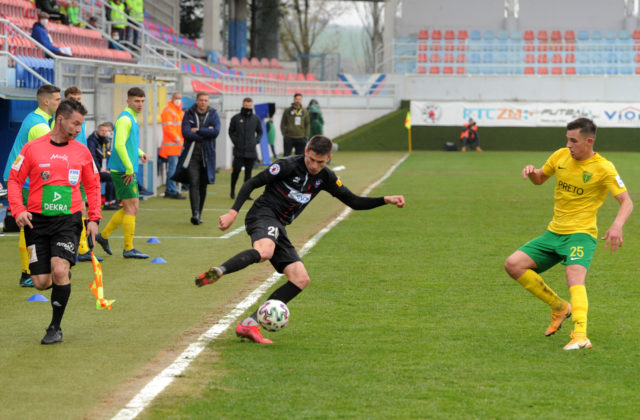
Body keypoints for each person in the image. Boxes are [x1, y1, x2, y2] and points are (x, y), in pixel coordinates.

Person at [194, 135, 406, 344]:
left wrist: (385, 200)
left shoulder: (327, 178)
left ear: (328, 158)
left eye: (320, 162)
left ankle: (249, 324)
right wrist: (233, 213)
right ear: (306, 151)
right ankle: (220, 270)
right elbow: (252, 183)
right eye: (311, 159)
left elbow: (354, 201)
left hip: (280, 227)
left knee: (300, 279)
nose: (314, 165)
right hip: (263, 215)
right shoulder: (287, 165)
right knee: (265, 251)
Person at [504, 118, 633, 351]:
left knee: (574, 278)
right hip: (554, 232)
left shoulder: (604, 167)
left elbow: (626, 202)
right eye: (567, 139)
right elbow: (540, 179)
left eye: (574, 141)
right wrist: (532, 172)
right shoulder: (561, 156)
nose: (569, 144)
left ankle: (581, 335)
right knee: (513, 265)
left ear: (589, 141)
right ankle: (560, 307)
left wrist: (617, 224)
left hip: (581, 234)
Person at [7, 98, 101, 345]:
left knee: (60, 269)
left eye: (82, 124)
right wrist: (17, 210)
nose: (79, 129)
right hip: (35, 222)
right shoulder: (32, 148)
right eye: (76, 123)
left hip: (67, 221)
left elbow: (92, 185)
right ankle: (61, 281)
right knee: (40, 282)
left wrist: (94, 218)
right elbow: (14, 180)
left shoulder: (81, 151)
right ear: (60, 119)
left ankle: (54, 327)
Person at [3, 84, 61, 288]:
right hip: (22, 181)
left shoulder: (36, 118)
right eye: (57, 99)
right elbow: (48, 159)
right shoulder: (40, 126)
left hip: (19, 178)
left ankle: (31, 271)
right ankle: (27, 273)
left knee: (28, 225)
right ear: (46, 101)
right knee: (29, 225)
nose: (59, 103)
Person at [95, 87, 149, 259]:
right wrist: (129, 168)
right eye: (136, 101)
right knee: (132, 208)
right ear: (128, 101)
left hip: (125, 169)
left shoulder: (130, 118)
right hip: (123, 171)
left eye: (142, 101)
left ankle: (103, 236)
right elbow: (118, 145)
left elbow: (127, 143)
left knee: (130, 207)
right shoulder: (125, 119)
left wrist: (139, 152)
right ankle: (128, 248)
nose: (140, 104)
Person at [178, 92, 220, 225]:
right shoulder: (189, 113)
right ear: (196, 101)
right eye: (201, 100)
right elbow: (186, 133)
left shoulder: (213, 113)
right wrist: (206, 132)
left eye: (206, 100)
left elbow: (216, 132)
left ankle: (199, 213)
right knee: (193, 183)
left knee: (203, 185)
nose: (203, 102)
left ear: (208, 102)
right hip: (192, 155)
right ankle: (195, 213)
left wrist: (198, 130)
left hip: (207, 155)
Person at [228, 97, 262, 199]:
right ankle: (232, 191)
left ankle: (245, 194)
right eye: (246, 105)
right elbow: (231, 131)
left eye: (249, 105)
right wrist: (236, 141)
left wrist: (256, 141)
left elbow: (260, 132)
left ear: (251, 105)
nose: (247, 107)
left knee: (248, 174)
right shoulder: (236, 118)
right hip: (239, 150)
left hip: (251, 151)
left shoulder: (256, 119)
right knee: (236, 171)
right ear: (243, 105)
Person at [159, 92, 186, 200]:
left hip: (178, 145)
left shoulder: (179, 111)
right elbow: (168, 128)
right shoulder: (168, 111)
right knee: (173, 169)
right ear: (172, 98)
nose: (178, 100)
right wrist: (178, 140)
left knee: (174, 169)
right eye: (176, 98)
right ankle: (172, 191)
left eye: (180, 98)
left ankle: (169, 190)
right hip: (172, 146)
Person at [87, 122, 118, 210]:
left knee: (115, 175)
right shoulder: (92, 141)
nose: (104, 133)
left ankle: (114, 201)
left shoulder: (104, 141)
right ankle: (108, 203)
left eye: (106, 131)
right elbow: (92, 157)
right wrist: (100, 169)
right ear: (97, 131)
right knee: (111, 177)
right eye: (102, 131)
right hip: (94, 170)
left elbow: (106, 157)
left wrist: (107, 169)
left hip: (102, 169)